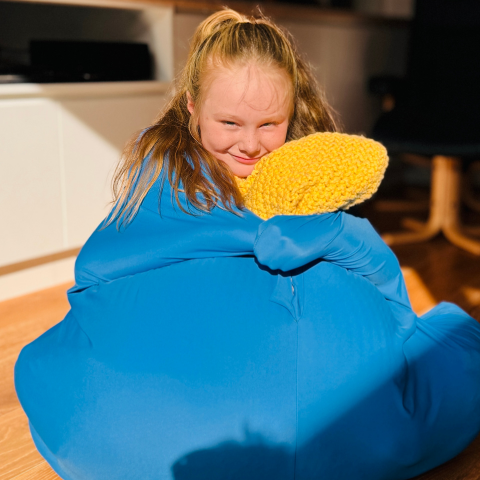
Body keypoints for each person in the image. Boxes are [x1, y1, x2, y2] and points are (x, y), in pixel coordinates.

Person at [15, 9, 480, 480]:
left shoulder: (303, 174)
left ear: (292, 114)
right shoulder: (161, 182)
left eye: (269, 125)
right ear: (192, 108)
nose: (250, 145)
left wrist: (337, 233)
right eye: (230, 123)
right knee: (448, 352)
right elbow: (106, 266)